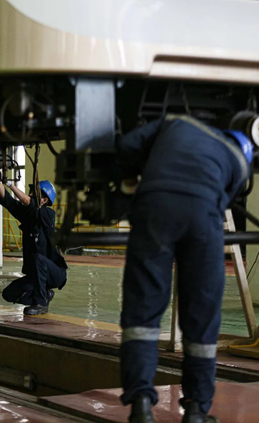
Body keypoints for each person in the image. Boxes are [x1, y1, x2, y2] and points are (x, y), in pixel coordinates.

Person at [116, 114, 253, 423]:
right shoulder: (239, 164)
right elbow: (224, 200)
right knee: (202, 317)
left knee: (143, 312)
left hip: (154, 207)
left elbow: (126, 146)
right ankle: (195, 410)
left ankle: (140, 405)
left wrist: (131, 178)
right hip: (203, 219)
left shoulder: (175, 122)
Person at [0, 179, 68, 315]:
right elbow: (8, 200)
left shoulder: (48, 214)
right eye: (31, 191)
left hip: (54, 273)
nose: (31, 193)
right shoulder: (28, 216)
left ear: (44, 200)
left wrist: (10, 184)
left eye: (35, 192)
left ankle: (40, 304)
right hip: (37, 275)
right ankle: (45, 294)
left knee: (38, 258)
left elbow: (30, 203)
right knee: (9, 294)